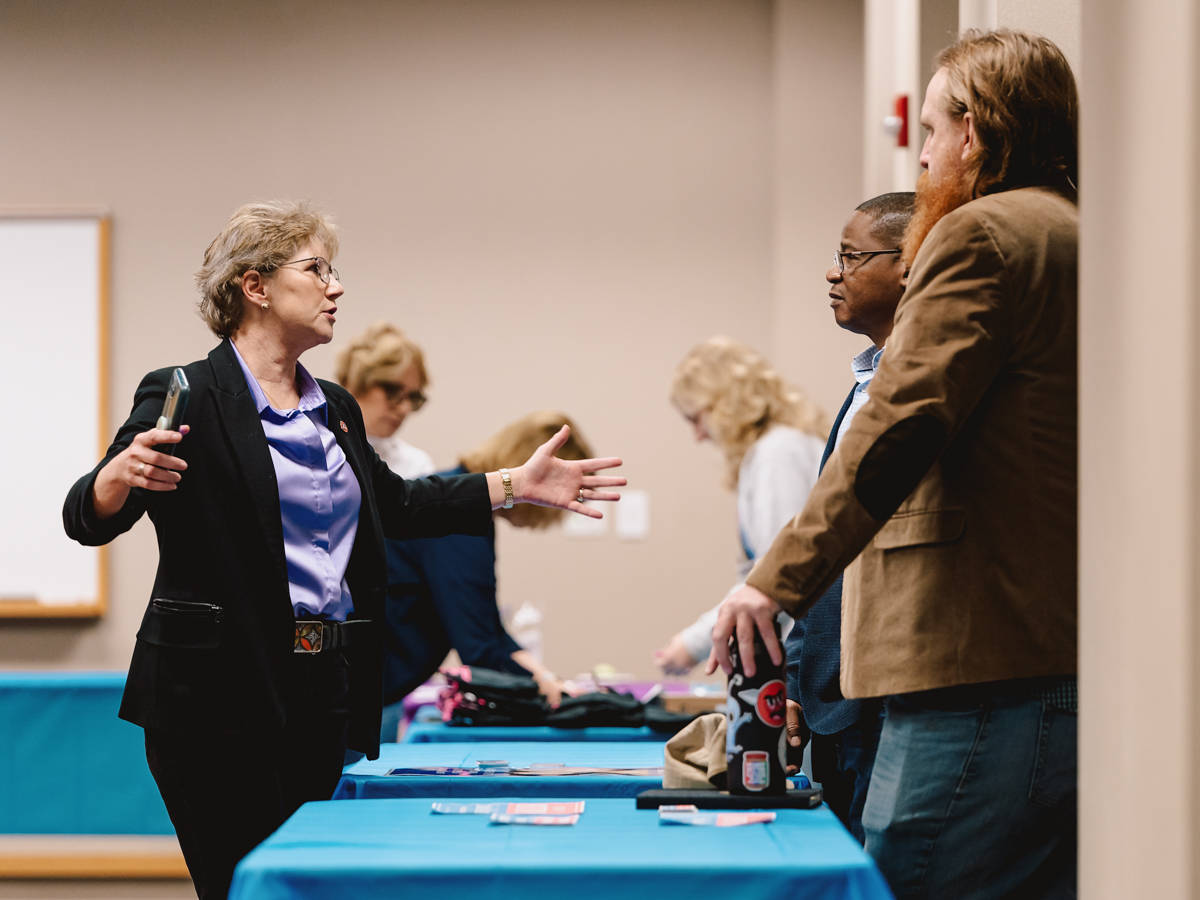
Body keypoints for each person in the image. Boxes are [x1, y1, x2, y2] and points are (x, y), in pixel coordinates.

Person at [62, 200, 625, 900]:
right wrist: (116, 477)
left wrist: (513, 484)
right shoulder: (188, 393)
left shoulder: (333, 406)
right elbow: (86, 518)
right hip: (213, 696)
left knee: (313, 885)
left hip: (320, 688)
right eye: (316, 269)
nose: (337, 287)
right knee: (247, 887)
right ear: (255, 286)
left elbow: (399, 505)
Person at [709, 30, 1078, 899]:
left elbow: (900, 420)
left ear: (974, 132)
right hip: (1050, 655)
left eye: (928, 140)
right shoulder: (1073, 234)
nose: (920, 168)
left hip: (971, 662)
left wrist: (776, 582)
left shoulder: (982, 234)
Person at [782, 192, 914, 845]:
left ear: (909, 266)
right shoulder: (864, 382)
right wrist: (799, 672)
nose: (833, 274)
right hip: (833, 695)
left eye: (851, 257)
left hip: (879, 701)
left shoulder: (914, 391)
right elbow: (828, 546)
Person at [379, 410, 591, 739]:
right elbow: (477, 648)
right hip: (372, 683)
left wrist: (544, 677)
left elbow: (488, 626)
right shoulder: (460, 522)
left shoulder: (461, 502)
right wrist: (539, 688)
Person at [654, 337, 828, 676]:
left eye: (696, 419)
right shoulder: (785, 447)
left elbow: (773, 576)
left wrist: (692, 644)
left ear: (723, 405)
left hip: (806, 654)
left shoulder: (777, 456)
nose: (698, 436)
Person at [336, 321, 435, 479]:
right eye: (393, 391)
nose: (405, 409)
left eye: (413, 397)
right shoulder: (317, 450)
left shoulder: (416, 465)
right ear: (356, 383)